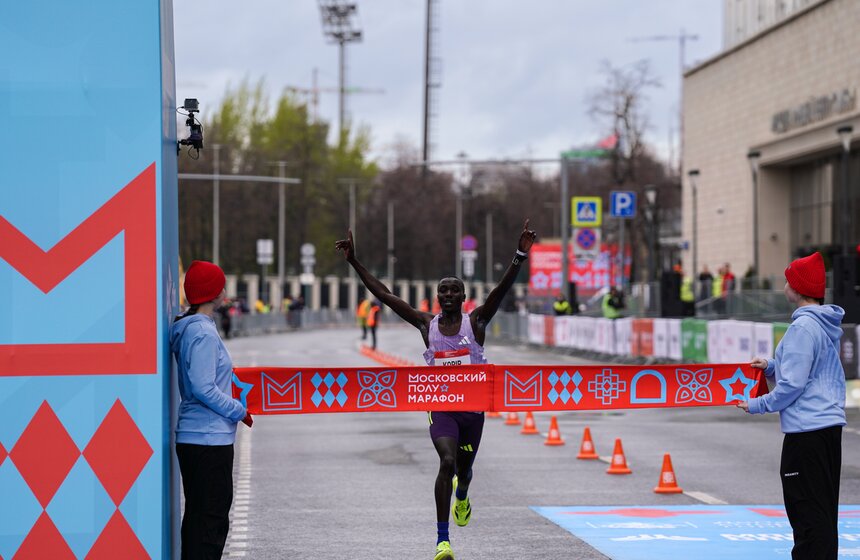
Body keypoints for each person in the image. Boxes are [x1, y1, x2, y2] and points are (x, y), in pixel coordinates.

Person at [336, 219, 537, 560]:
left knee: (464, 470)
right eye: (442, 290)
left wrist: (519, 254)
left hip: (473, 411)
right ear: (437, 297)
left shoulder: (477, 322)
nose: (447, 295)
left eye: (453, 290)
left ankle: (463, 497)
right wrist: (355, 262)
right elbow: (384, 295)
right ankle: (442, 541)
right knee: (446, 461)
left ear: (462, 296)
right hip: (440, 406)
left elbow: (501, 291)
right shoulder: (426, 325)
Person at [738, 252, 845, 560]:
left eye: (788, 279)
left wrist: (757, 404)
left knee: (806, 513)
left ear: (797, 288)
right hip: (826, 428)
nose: (784, 283)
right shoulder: (824, 324)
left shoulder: (802, 328)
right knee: (822, 512)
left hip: (806, 433)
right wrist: (771, 366)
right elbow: (810, 371)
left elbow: (793, 386)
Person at [170, 260, 253, 560]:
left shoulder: (189, 329)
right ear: (213, 292)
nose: (225, 289)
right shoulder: (202, 334)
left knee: (198, 518)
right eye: (221, 284)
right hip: (208, 439)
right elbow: (203, 387)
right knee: (211, 522)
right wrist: (237, 409)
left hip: (196, 438)